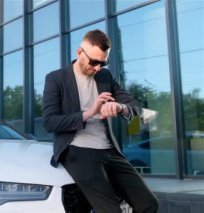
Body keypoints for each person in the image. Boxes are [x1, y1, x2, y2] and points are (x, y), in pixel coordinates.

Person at [42, 29, 158, 213]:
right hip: (78, 151)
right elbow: (49, 122)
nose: (97, 68)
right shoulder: (56, 79)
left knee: (149, 204)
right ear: (80, 53)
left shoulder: (105, 76)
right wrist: (89, 112)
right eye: (94, 62)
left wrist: (120, 107)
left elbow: (134, 107)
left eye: (103, 63)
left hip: (109, 151)